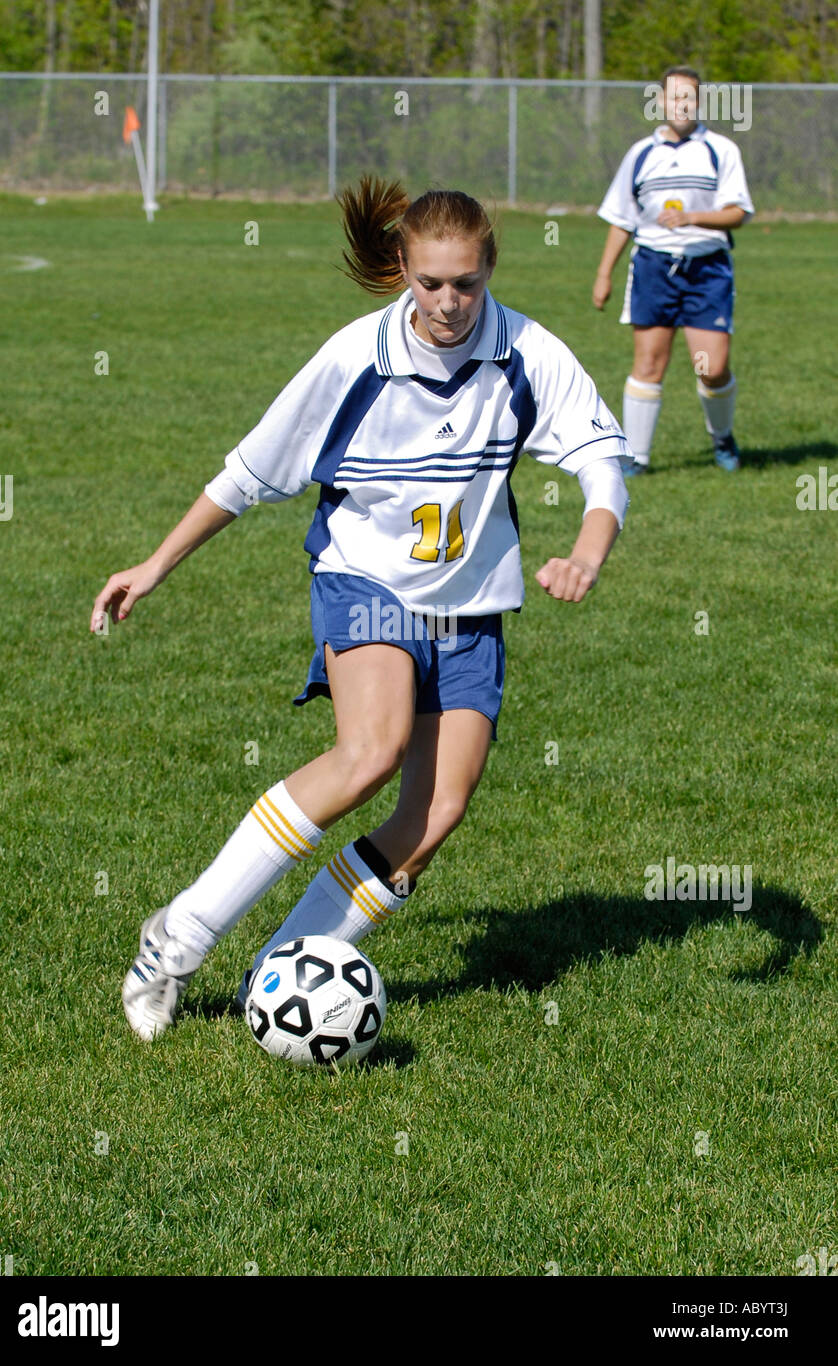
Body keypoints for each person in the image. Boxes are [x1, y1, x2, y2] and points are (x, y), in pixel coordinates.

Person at [90, 177, 633, 1042]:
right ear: (402, 272)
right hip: (365, 582)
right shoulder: (354, 358)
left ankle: (287, 979)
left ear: (490, 268)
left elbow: (604, 463)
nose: (450, 302)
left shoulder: (528, 352)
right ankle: (175, 941)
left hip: (472, 606)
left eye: (467, 283)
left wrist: (588, 553)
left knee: (434, 817)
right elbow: (250, 472)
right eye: (430, 283)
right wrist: (156, 564)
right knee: (369, 752)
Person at [592, 66, 755, 473]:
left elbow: (739, 213)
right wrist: (603, 273)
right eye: (673, 97)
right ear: (660, 102)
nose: (681, 104)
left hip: (706, 269)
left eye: (689, 97)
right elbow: (622, 219)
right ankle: (637, 460)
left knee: (712, 367)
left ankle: (722, 438)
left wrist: (693, 219)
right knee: (649, 364)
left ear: (699, 103)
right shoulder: (640, 155)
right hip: (652, 267)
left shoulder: (720, 150)